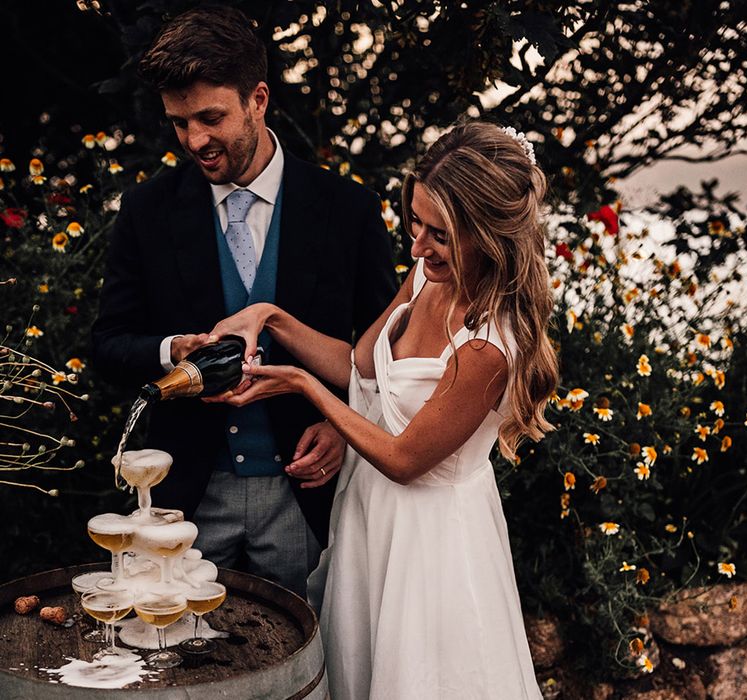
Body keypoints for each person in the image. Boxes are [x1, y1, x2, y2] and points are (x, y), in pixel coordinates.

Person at [206, 121, 556, 699]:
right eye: (415, 223)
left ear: (489, 233)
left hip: (431, 545)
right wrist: (270, 316)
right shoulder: (424, 276)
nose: (417, 246)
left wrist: (300, 386)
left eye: (439, 234)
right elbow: (359, 368)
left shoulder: (489, 344)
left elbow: (402, 458)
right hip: (369, 519)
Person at [90, 6, 396, 598]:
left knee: (306, 665)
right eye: (179, 123)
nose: (195, 140)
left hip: (306, 495)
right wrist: (169, 349)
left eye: (210, 117)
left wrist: (342, 427)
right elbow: (107, 345)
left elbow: (385, 354)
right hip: (187, 499)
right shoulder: (147, 212)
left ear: (258, 99)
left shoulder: (347, 209)